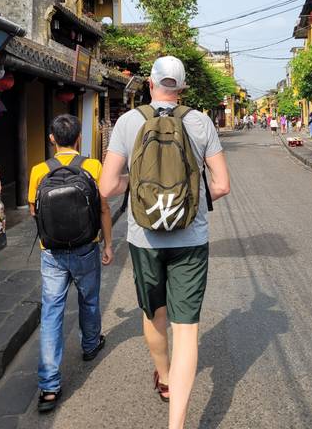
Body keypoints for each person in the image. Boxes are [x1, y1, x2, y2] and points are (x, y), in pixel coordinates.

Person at [99, 56, 230, 429]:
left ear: (150, 84)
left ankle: (166, 378)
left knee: (153, 314)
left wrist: (137, 188)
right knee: (186, 328)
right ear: (182, 88)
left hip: (144, 238)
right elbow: (221, 185)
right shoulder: (200, 122)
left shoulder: (128, 122)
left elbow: (107, 187)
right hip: (191, 237)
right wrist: (188, 202)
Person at [28, 114, 113, 413]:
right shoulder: (93, 166)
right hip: (86, 248)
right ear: (79, 137)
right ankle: (90, 346)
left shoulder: (39, 170)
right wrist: (109, 244)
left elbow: (33, 212)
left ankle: (49, 387)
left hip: (50, 252)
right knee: (89, 300)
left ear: (52, 138)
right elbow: (103, 208)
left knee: (51, 312)